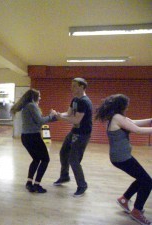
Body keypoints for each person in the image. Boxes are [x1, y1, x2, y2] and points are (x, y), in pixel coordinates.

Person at [96, 94, 152, 225]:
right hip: (122, 158)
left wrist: (150, 120)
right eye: (127, 104)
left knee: (142, 179)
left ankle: (124, 199)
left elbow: (133, 123)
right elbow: (137, 130)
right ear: (121, 105)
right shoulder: (117, 117)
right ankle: (137, 211)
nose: (128, 107)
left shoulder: (117, 117)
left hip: (121, 157)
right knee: (148, 181)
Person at [10, 89, 57, 193]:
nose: (40, 98)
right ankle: (37, 184)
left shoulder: (27, 106)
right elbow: (40, 121)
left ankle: (29, 183)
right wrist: (52, 116)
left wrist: (52, 118)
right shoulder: (31, 105)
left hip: (26, 137)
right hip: (33, 137)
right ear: (33, 97)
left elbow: (37, 121)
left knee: (36, 159)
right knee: (45, 160)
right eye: (39, 96)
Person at [53, 77, 92, 197]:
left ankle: (82, 185)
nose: (72, 87)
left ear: (82, 87)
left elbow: (76, 119)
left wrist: (61, 118)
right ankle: (64, 176)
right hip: (74, 131)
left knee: (74, 160)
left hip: (82, 134)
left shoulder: (84, 101)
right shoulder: (75, 99)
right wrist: (58, 114)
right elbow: (69, 113)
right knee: (63, 153)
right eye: (72, 85)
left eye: (75, 85)